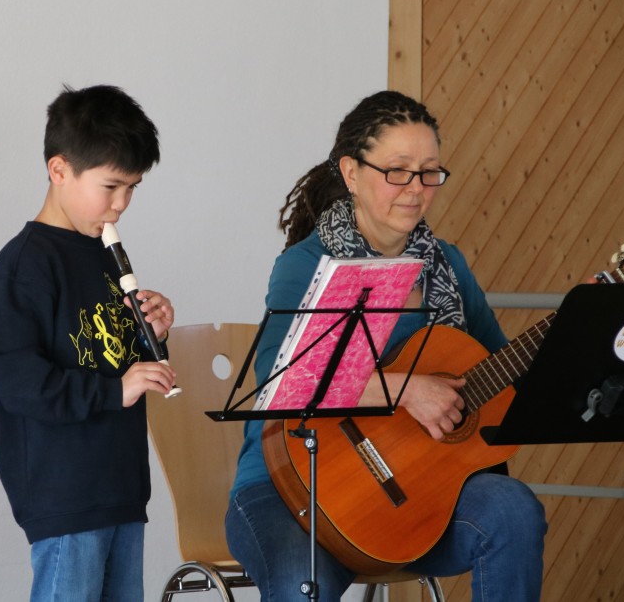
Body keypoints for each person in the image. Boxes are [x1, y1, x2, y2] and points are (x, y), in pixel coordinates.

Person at [224, 90, 547, 601]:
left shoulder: (448, 266)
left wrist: (573, 329)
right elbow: (282, 386)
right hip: (291, 490)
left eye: (429, 173)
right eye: (398, 171)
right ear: (351, 172)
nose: (416, 189)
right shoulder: (306, 265)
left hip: (416, 494)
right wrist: (407, 390)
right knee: (302, 585)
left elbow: (503, 371)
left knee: (512, 509)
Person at [0, 84, 177, 602]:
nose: (122, 204)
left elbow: (110, 360)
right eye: (111, 186)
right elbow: (20, 383)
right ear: (59, 170)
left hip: (121, 489)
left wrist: (150, 338)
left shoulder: (103, 254)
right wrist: (115, 391)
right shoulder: (22, 269)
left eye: (132, 188)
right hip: (66, 495)